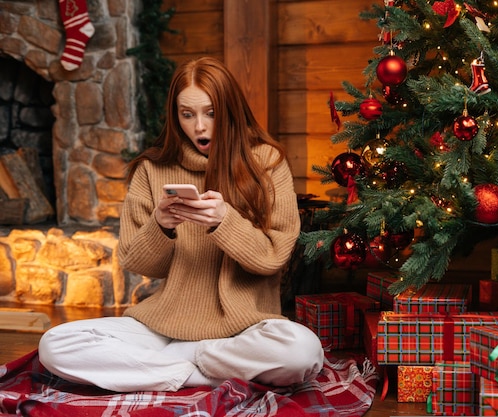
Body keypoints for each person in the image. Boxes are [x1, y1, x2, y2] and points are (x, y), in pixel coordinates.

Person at [38, 57, 324, 392]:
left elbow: (273, 258)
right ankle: (195, 371)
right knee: (54, 345)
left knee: (302, 352)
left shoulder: (267, 162)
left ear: (230, 110)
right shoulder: (151, 169)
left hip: (245, 328)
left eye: (210, 113)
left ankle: (170, 366)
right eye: (187, 114)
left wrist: (225, 221)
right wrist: (161, 225)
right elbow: (138, 262)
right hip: (164, 326)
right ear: (176, 115)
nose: (199, 126)